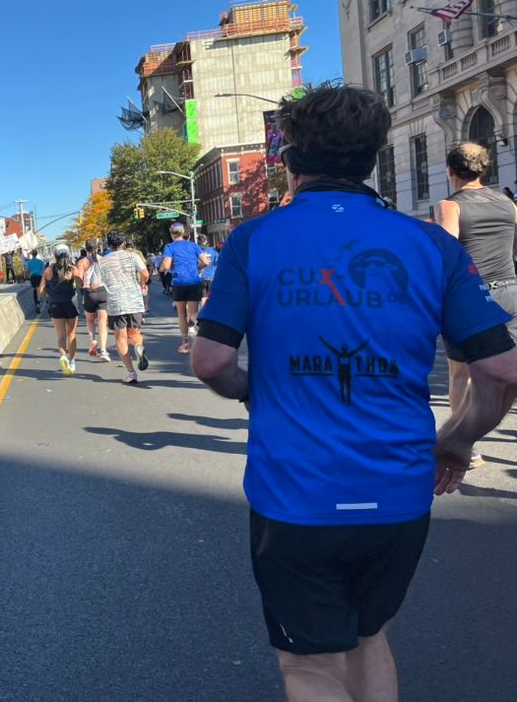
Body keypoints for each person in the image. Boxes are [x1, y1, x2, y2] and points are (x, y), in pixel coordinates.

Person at [191, 82, 517, 702]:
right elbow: (503, 372)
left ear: (290, 159)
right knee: (370, 639)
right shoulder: (430, 244)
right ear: (372, 159)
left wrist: (253, 390)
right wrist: (457, 438)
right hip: (398, 493)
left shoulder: (254, 240)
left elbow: (210, 361)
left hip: (295, 494)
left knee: (310, 667)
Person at [434, 142, 517, 468]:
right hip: (511, 290)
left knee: (461, 374)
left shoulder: (450, 205)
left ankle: (467, 448)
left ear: (450, 171)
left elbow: (448, 253)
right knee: (510, 366)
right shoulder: (508, 203)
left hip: (473, 298)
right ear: (484, 170)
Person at [96, 231, 149, 384]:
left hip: (116, 302)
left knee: (121, 337)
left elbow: (94, 284)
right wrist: (141, 283)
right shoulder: (133, 256)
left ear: (109, 245)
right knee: (135, 333)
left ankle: (131, 373)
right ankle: (138, 346)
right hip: (134, 300)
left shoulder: (102, 262)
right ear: (124, 243)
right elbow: (145, 273)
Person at [160, 223, 209, 354]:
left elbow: (166, 265)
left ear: (171, 233)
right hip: (193, 281)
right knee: (193, 314)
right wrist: (196, 269)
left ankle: (185, 344)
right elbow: (205, 262)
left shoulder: (170, 247)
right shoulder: (193, 245)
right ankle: (203, 338)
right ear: (183, 232)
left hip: (179, 282)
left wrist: (162, 269)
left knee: (182, 314)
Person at [39, 243, 80, 376]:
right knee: (71, 334)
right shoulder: (72, 269)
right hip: (71, 303)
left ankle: (63, 356)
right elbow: (81, 284)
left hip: (55, 304)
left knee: (61, 336)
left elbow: (41, 291)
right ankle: (72, 362)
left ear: (55, 256)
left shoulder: (48, 270)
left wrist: (51, 290)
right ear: (68, 254)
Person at [76, 239, 111, 362]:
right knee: (103, 322)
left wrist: (80, 283)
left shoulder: (82, 262)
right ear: (98, 248)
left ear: (86, 249)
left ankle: (93, 340)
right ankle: (104, 351)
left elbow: (80, 281)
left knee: (90, 320)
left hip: (89, 293)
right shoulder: (104, 260)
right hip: (103, 292)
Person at [197, 234, 220, 306]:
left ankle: (203, 311)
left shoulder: (196, 251)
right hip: (211, 278)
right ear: (206, 241)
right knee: (212, 298)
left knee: (203, 298)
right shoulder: (213, 251)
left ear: (198, 241)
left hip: (200, 278)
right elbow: (219, 263)